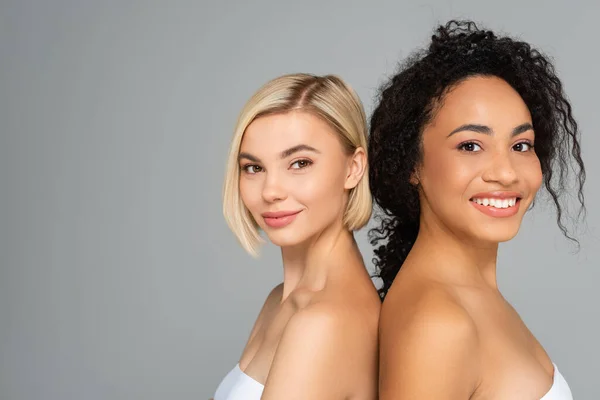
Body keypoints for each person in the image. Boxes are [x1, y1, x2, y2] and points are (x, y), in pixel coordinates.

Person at [368, 20, 585, 399]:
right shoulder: (438, 323)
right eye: (470, 145)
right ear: (412, 165)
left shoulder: (470, 296)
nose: (505, 172)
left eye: (521, 145)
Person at [214, 73, 380, 399]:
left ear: (353, 168)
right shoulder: (282, 299)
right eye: (254, 167)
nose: (271, 190)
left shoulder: (324, 321)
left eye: (299, 163)